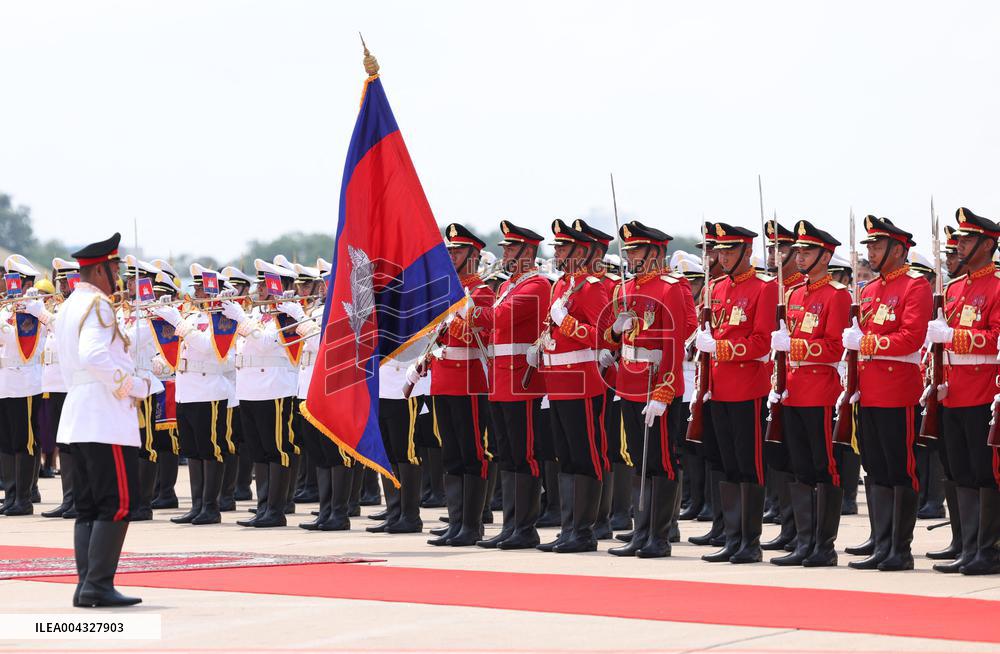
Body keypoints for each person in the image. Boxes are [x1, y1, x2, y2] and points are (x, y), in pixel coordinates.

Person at [55, 232, 147, 607]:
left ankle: (86, 585)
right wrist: (129, 386)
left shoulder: (69, 306)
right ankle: (98, 584)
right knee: (117, 503)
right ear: (100, 271)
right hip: (104, 417)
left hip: (78, 415)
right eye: (115, 268)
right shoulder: (98, 305)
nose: (119, 275)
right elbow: (94, 354)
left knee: (87, 507)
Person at [842, 216, 930, 571]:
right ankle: (881, 543)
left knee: (899, 469)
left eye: (877, 246)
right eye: (870, 247)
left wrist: (865, 342)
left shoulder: (915, 286)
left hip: (896, 390)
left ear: (898, 249)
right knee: (875, 469)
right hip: (870, 390)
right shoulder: (870, 289)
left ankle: (900, 548)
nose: (871, 252)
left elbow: (911, 338)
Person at [604, 221, 697, 557]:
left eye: (636, 250)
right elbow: (610, 340)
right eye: (627, 250)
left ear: (655, 252)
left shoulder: (669, 288)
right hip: (628, 384)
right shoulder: (623, 289)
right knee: (638, 462)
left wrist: (664, 391)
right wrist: (616, 329)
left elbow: (674, 342)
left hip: (656, 384)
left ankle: (658, 535)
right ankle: (640, 531)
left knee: (660, 462)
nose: (630, 257)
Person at [768, 220, 851, 567]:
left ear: (825, 255)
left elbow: (834, 348)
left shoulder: (837, 294)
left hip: (820, 391)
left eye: (806, 251)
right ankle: (803, 542)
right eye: (797, 251)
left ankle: (824, 546)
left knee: (823, 467)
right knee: (800, 468)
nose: (799, 257)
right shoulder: (793, 294)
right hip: (794, 391)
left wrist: (796, 346)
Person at [694, 222, 778, 564]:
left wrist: (721, 347)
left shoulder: (764, 288)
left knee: (748, 464)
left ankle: (750, 541)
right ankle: (732, 537)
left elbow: (762, 341)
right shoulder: (714, 288)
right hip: (718, 388)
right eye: (720, 252)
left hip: (747, 386)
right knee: (728, 466)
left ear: (747, 251)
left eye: (730, 251)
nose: (723, 257)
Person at [410, 223, 495, 547]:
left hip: (469, 379)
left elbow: (489, 329)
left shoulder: (482, 292)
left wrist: (466, 314)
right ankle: (456, 522)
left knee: (472, 453)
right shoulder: (447, 293)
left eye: (458, 251)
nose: (451, 256)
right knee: (452, 454)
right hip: (443, 378)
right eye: (449, 251)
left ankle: (472, 526)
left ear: (473, 255)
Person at [926, 208, 1000, 575]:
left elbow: (996, 338)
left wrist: (954, 336)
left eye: (968, 240)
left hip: (985, 393)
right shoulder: (954, 288)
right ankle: (968, 546)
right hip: (952, 392)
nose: (960, 245)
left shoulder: (999, 285)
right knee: (960, 472)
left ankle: (989, 550)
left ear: (988, 244)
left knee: (986, 473)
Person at [531, 219, 611, 553]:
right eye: (558, 247)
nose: (558, 252)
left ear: (581, 251)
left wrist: (568, 323)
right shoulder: (561, 285)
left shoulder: (592, 288)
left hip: (583, 381)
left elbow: (603, 338)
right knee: (565, 457)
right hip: (559, 380)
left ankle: (584, 531)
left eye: (563, 247)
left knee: (584, 455)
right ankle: (568, 528)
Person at [484, 221, 551, 550]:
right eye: (505, 249)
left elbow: (501, 318)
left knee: (524, 456)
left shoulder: (537, 285)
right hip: (500, 379)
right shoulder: (507, 286)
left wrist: (465, 308)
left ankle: (525, 527)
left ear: (529, 252)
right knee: (507, 456)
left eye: (511, 248)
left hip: (521, 381)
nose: (506, 254)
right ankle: (510, 525)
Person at [227, 259, 300, 528]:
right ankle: (263, 507)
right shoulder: (257, 314)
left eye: (263, 283)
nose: (258, 288)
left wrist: (241, 318)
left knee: (276, 450)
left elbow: (268, 343)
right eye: (259, 282)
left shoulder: (288, 314)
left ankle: (276, 510)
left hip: (274, 388)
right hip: (249, 389)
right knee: (258, 451)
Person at [0, 255, 49, 516]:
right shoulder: (6, 309)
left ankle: (24, 497)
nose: (9, 285)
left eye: (14, 280)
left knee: (24, 441)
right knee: (6, 443)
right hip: (4, 381)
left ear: (26, 282)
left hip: (24, 382)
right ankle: (10, 496)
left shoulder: (33, 308)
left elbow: (23, 342)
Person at [40, 258, 80, 519]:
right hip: (53, 384)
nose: (62, 286)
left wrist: (42, 314)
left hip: (71, 385)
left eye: (66, 281)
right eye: (60, 281)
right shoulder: (58, 306)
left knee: (72, 444)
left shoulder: (79, 308)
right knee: (61, 443)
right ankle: (68, 499)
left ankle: (78, 498)